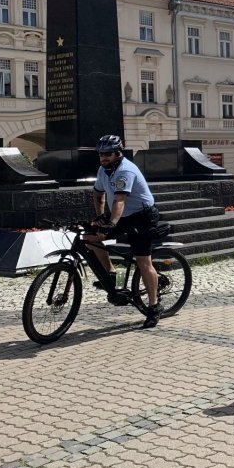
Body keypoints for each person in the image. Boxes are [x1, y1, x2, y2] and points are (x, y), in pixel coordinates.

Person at [85, 134, 163, 329]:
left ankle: (154, 307)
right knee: (90, 238)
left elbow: (120, 200)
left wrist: (111, 224)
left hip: (142, 216)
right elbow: (98, 194)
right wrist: (100, 217)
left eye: (108, 154)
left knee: (143, 262)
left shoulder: (125, 170)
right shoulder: (103, 170)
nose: (103, 157)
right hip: (121, 215)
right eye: (101, 154)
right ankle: (111, 273)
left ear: (118, 153)